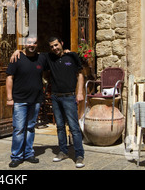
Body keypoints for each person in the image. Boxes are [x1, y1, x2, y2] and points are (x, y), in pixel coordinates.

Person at [10, 36, 85, 168]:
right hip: (55, 97)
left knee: (74, 127)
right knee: (60, 127)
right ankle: (63, 152)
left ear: (61, 43)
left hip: (69, 96)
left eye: (56, 45)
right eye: (52, 46)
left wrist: (79, 93)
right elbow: (31, 52)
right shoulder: (48, 58)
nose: (54, 48)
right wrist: (18, 50)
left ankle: (79, 155)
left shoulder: (72, 56)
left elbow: (80, 74)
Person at [6, 36, 47, 168]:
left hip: (35, 100)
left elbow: (56, 56)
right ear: (24, 44)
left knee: (30, 128)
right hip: (20, 100)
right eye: (29, 42)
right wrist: (9, 98)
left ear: (37, 44)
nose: (32, 45)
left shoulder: (41, 58)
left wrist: (67, 51)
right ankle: (16, 156)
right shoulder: (16, 58)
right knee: (18, 129)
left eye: (34, 42)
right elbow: (9, 78)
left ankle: (29, 153)